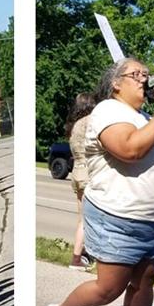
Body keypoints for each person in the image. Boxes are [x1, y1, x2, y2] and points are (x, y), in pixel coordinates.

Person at [44, 58, 154, 306]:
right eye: (134, 74)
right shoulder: (108, 111)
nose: (143, 79)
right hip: (117, 219)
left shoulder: (143, 117)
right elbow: (129, 150)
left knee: (143, 283)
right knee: (109, 289)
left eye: (145, 75)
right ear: (115, 84)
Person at [66, 92, 97, 270]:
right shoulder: (91, 121)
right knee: (87, 219)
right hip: (88, 171)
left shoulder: (75, 125)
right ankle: (77, 258)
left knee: (81, 218)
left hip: (76, 171)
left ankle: (84, 253)